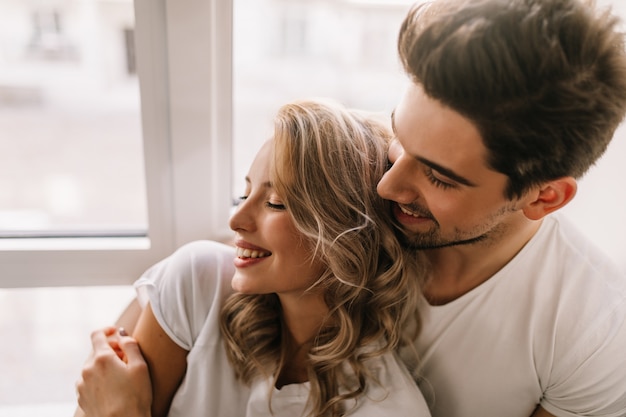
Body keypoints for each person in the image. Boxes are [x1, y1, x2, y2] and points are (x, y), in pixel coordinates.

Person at [76, 0, 626, 416]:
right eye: (399, 138)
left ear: (542, 196)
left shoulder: (591, 329)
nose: (388, 184)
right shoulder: (362, 181)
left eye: (437, 175)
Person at [75, 99, 432, 417]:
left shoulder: (390, 408)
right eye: (244, 193)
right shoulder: (199, 284)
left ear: (348, 233)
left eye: (275, 202)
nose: (237, 220)